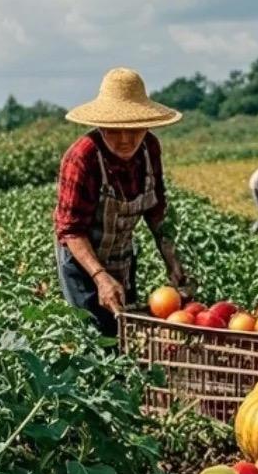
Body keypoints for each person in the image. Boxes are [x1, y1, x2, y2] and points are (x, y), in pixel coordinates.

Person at [54, 67, 189, 335]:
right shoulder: (83, 158)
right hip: (82, 262)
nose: (126, 139)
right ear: (102, 125)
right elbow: (71, 230)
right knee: (93, 335)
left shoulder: (150, 148)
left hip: (123, 254)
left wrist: (172, 260)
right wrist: (100, 277)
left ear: (146, 124)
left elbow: (156, 210)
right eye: (115, 131)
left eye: (134, 129)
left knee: (122, 331)